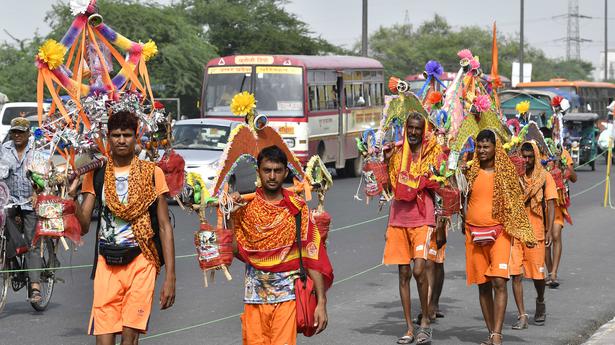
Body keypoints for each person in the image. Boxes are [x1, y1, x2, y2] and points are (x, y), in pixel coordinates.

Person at [71, 110, 176, 345]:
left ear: (136, 137)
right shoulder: (97, 174)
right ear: (108, 138)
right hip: (106, 264)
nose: (121, 140)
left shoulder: (152, 173)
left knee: (129, 339)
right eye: (116, 135)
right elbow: (85, 225)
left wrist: (171, 277)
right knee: (104, 340)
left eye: (127, 135)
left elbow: (164, 226)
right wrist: (72, 200)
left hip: (142, 260)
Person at [230, 145, 333, 345]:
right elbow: (235, 250)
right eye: (267, 170)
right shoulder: (246, 208)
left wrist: (321, 302)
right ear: (258, 171)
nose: (272, 176)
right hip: (254, 300)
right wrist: (230, 214)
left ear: (285, 172)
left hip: (287, 299)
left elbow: (312, 257)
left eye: (277, 171)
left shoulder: (297, 208)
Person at [463, 129, 536, 345]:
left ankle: (497, 335)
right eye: (479, 147)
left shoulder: (506, 173)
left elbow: (516, 205)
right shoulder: (469, 172)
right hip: (474, 234)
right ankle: (491, 331)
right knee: (483, 285)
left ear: (495, 148)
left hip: (500, 233)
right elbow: (461, 199)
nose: (483, 151)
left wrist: (524, 233)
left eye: (487, 146)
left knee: (499, 282)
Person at [383, 112, 446, 345]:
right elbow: (391, 186)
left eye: (418, 129)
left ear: (424, 130)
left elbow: (441, 182)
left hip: (423, 217)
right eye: (410, 128)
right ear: (405, 128)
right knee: (403, 273)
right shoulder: (397, 153)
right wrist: (387, 160)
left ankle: (425, 323)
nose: (413, 132)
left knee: (420, 270)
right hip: (399, 218)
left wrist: (441, 219)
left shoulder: (433, 153)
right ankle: (410, 328)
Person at [510, 141, 557, 330]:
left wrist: (549, 230)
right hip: (515, 230)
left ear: (536, 157)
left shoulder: (545, 177)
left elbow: (551, 203)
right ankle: (522, 315)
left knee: (538, 277)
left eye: (530, 157)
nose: (526, 160)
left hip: (536, 231)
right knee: (515, 274)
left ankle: (540, 300)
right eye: (524, 156)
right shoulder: (514, 176)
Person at [1, 117, 43, 302]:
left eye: (21, 132)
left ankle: (35, 288)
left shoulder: (37, 149)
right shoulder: (4, 149)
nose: (17, 135)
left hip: (29, 201)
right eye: (14, 132)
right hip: (9, 200)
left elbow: (43, 174)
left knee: (33, 244)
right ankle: (15, 253)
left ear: (28, 133)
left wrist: (37, 192)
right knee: (4, 231)